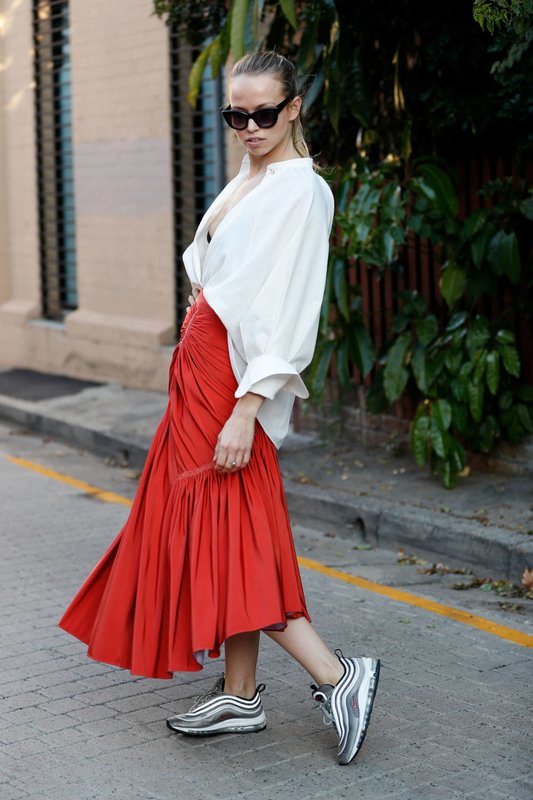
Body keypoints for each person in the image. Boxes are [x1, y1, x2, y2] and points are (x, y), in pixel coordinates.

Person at [58, 50, 380, 766]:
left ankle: (336, 674)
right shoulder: (251, 175)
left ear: (293, 107)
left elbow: (290, 307)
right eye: (236, 114)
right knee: (223, 530)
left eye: (264, 113)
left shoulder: (302, 190)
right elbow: (224, 274)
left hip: (228, 383)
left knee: (225, 531)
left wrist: (249, 404)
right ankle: (239, 694)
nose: (249, 126)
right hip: (201, 369)